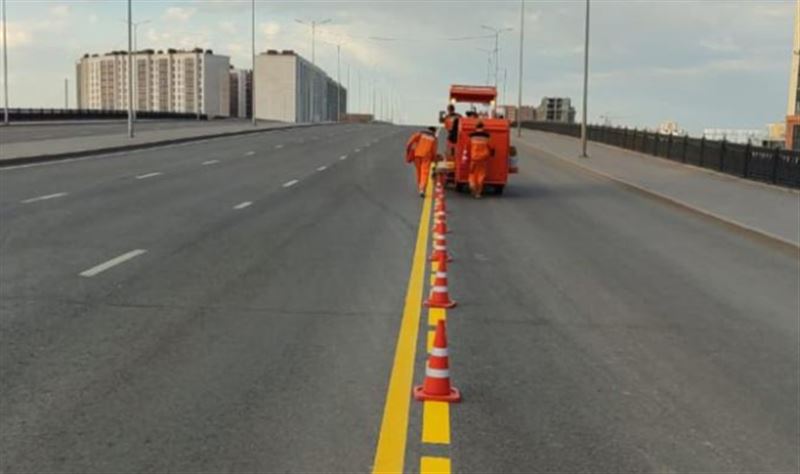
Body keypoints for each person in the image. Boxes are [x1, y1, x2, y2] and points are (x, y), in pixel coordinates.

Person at [405, 126, 438, 197]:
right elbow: (434, 151)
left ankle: (420, 187)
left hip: (417, 155)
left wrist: (409, 152)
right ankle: (422, 188)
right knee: (424, 172)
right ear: (434, 131)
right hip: (426, 156)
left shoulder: (420, 134)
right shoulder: (433, 138)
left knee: (418, 171)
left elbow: (409, 143)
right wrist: (434, 159)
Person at [467, 121, 493, 198]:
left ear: (476, 127)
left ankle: (472, 185)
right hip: (483, 158)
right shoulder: (487, 136)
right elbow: (491, 147)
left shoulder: (471, 136)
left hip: (474, 158)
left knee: (472, 173)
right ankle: (478, 193)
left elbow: (467, 146)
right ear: (483, 127)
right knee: (481, 175)